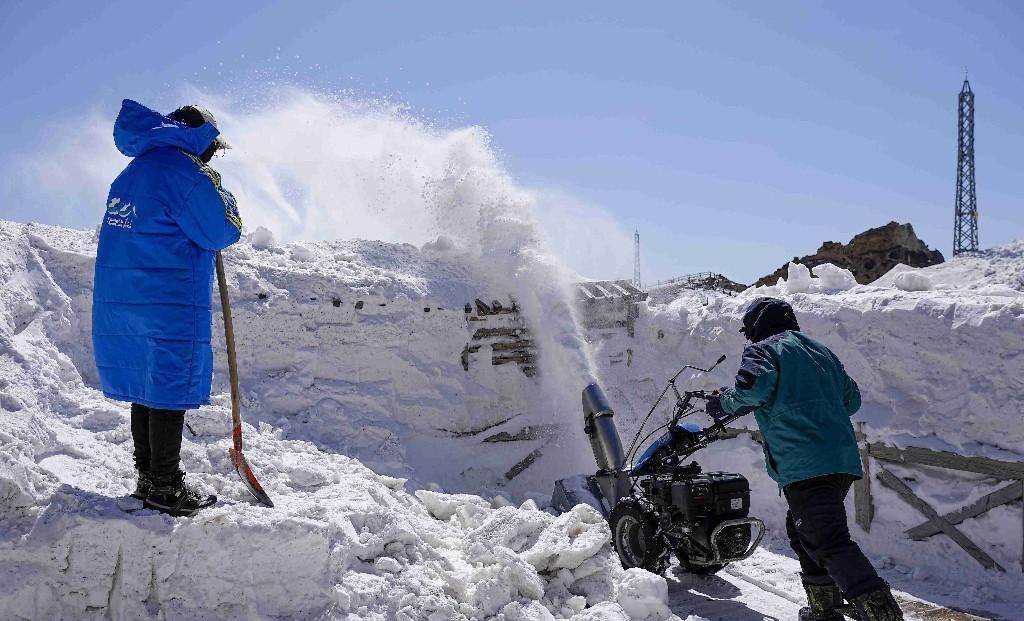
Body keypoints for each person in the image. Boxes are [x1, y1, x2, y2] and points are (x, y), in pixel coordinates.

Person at [705, 297, 903, 621]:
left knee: (826, 539)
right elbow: (852, 400)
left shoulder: (762, 350)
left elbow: (752, 392)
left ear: (756, 325)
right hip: (840, 461)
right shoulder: (822, 352)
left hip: (805, 463)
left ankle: (884, 616)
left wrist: (723, 403)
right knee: (802, 531)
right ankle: (824, 609)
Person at [92, 99, 242, 517]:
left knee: (147, 385)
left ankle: (148, 479)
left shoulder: (132, 172)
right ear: (200, 140)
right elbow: (222, 230)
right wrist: (220, 193)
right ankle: (165, 486)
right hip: (167, 299)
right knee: (168, 385)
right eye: (213, 149)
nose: (212, 156)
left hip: (125, 299)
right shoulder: (185, 173)